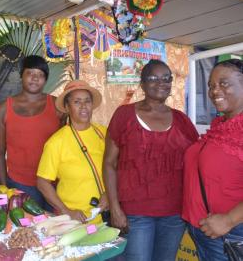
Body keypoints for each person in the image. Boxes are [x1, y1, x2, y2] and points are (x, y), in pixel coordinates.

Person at [104, 59, 199, 261]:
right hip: (136, 213)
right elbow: (109, 164)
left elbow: (196, 163)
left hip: (174, 213)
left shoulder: (182, 120)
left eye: (166, 78)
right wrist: (115, 207)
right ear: (142, 83)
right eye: (153, 78)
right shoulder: (124, 115)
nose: (161, 83)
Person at [182, 59, 243, 261]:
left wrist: (228, 220)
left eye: (224, 83)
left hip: (228, 232)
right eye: (211, 85)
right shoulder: (220, 125)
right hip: (204, 229)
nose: (215, 91)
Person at [0, 55, 64, 209]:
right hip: (20, 184)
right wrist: (5, 187)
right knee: (27, 231)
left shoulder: (57, 106)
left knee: (56, 229)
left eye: (40, 75)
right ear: (21, 76)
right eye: (30, 73)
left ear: (45, 80)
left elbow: (67, 145)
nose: (35, 78)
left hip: (54, 184)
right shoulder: (3, 109)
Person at [37, 80, 108, 223]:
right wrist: (66, 211)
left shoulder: (103, 132)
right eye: (77, 102)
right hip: (76, 220)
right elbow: (42, 182)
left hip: (106, 213)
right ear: (67, 107)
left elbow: (117, 167)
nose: (83, 107)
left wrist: (109, 194)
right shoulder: (56, 142)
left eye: (87, 101)